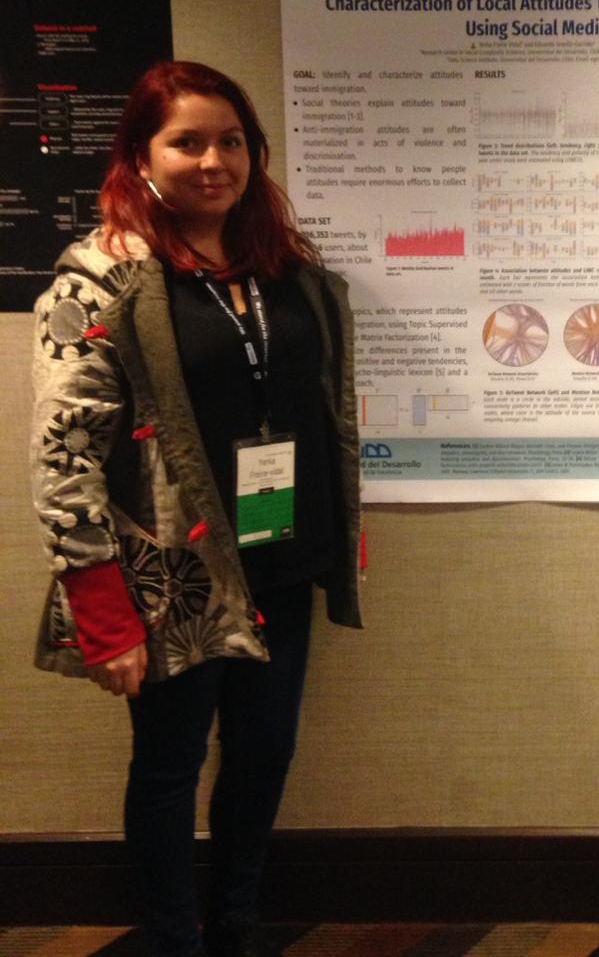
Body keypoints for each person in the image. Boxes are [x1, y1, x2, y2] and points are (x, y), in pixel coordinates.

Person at [30, 60, 363, 957]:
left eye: (231, 142)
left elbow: (318, 407)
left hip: (281, 556)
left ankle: (237, 923)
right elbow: (63, 453)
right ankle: (173, 939)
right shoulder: (101, 280)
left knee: (264, 753)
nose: (213, 161)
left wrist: (339, 529)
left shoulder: (287, 272)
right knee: (171, 765)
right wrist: (101, 609)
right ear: (141, 156)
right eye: (187, 142)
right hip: (171, 574)